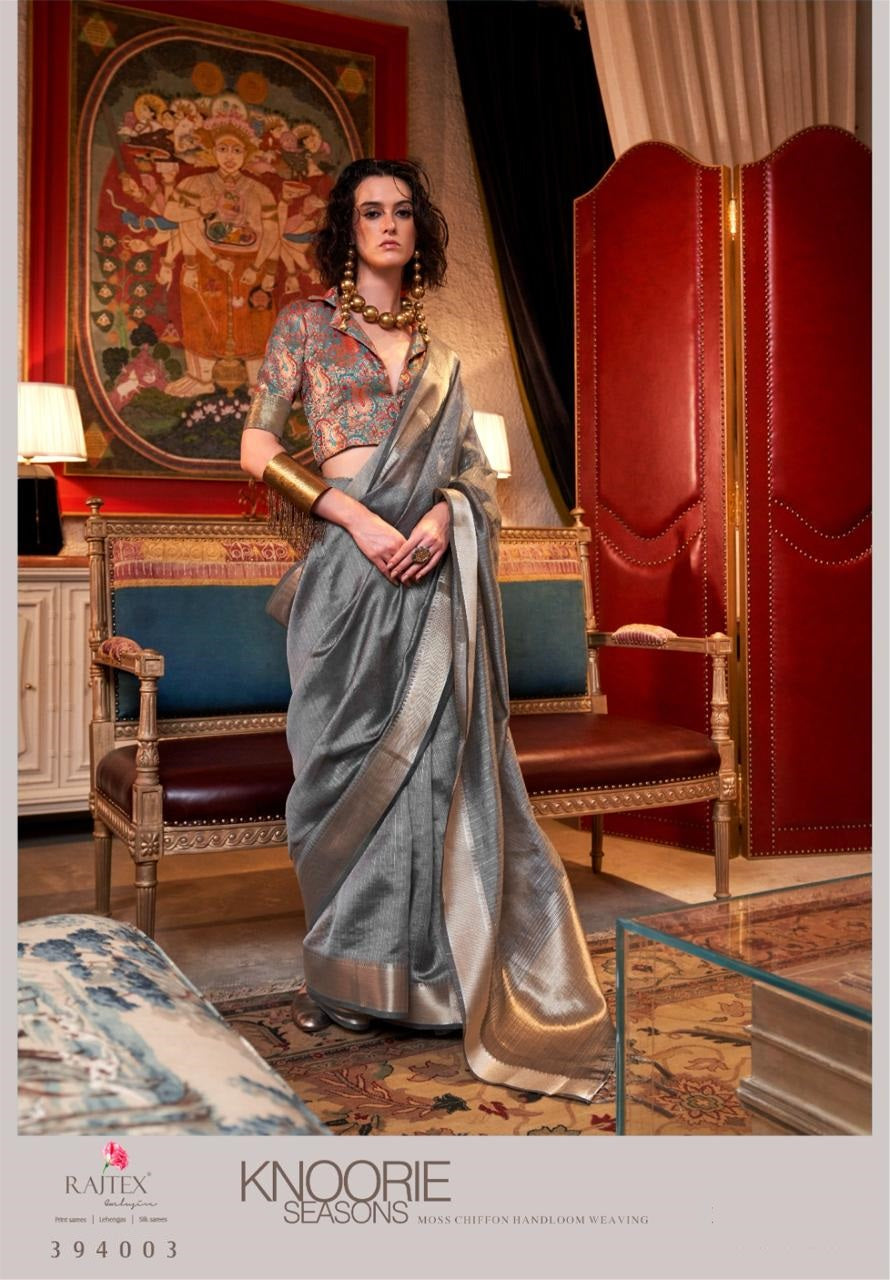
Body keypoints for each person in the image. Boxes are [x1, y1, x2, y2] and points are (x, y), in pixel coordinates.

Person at [240, 158, 612, 1101]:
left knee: (434, 772)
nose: (389, 224)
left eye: (403, 211)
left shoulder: (439, 356)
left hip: (431, 576)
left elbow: (475, 475)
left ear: (418, 232)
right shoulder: (305, 328)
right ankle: (349, 975)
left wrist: (446, 517)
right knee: (346, 769)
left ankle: (431, 977)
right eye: (371, 211)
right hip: (348, 575)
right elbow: (256, 445)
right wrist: (356, 519)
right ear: (347, 227)